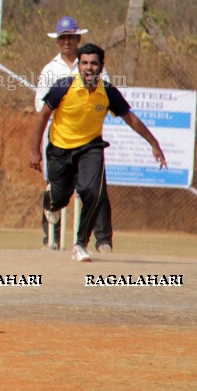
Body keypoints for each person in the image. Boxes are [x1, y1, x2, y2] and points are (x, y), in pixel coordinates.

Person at [29, 43, 167, 262]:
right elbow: (42, 116)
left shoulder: (108, 91)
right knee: (59, 198)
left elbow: (129, 117)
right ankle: (51, 202)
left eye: (94, 63)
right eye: (84, 63)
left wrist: (154, 143)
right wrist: (34, 151)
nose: (89, 68)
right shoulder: (63, 86)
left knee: (93, 191)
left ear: (101, 67)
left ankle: (80, 244)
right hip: (59, 149)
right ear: (79, 66)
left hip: (90, 147)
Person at [34, 16, 113, 253]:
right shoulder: (50, 70)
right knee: (57, 188)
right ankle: (52, 238)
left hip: (89, 139)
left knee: (95, 188)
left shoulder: (93, 63)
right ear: (58, 41)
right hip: (60, 138)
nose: (67, 41)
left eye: (71, 37)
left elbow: (105, 95)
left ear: (78, 38)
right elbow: (41, 107)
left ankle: (102, 239)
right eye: (62, 38)